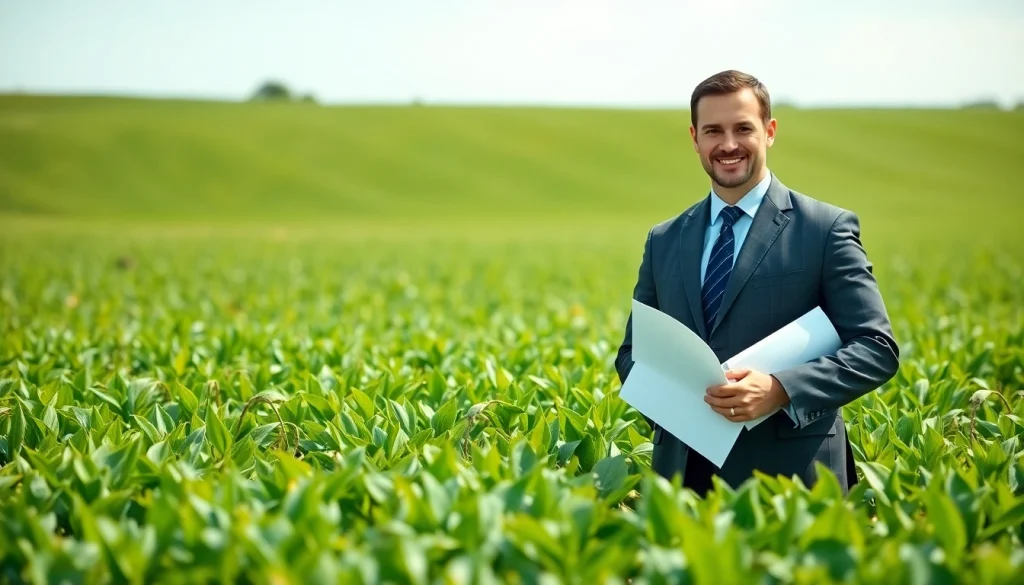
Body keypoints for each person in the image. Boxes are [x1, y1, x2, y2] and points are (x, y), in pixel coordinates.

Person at [614, 70, 900, 496]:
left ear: (769, 131)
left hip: (794, 481)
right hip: (682, 480)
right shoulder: (664, 240)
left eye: (742, 128)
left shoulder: (825, 229)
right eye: (713, 131)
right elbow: (633, 354)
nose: (728, 145)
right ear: (695, 138)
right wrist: (679, 407)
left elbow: (876, 349)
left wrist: (781, 389)